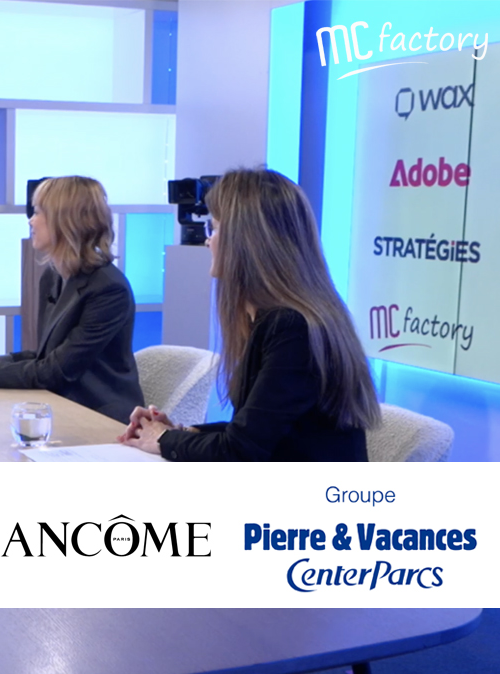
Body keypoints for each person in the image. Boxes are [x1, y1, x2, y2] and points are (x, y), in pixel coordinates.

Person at [120, 168, 380, 461]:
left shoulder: (292, 328)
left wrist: (165, 439)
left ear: (245, 241)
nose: (208, 241)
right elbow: (257, 431)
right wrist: (179, 433)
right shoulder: (283, 319)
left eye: (214, 228)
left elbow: (241, 451)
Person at [0, 176, 144, 423]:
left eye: (39, 212)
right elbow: (48, 355)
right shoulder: (54, 276)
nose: (31, 220)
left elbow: (55, 371)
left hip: (99, 416)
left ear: (66, 221)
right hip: (59, 405)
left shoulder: (108, 289)